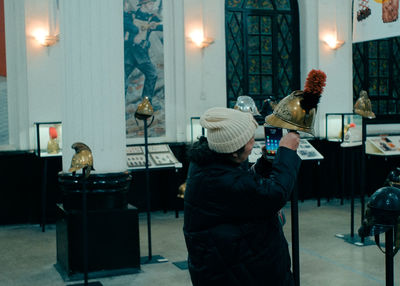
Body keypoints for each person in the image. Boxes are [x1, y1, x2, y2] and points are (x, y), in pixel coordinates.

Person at [183, 107, 301, 286]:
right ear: (233, 151)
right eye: (249, 140)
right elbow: (275, 194)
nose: (253, 143)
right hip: (239, 272)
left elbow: (247, 189)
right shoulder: (222, 180)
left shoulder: (208, 165)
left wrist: (266, 164)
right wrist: (286, 153)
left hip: (233, 265)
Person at [124, 0, 162, 100]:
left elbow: (164, 26)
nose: (152, 5)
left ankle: (146, 104)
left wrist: (156, 25)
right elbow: (124, 24)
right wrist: (134, 36)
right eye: (150, 3)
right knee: (122, 78)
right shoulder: (131, 15)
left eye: (152, 3)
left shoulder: (152, 18)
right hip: (129, 53)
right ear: (143, 4)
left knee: (152, 74)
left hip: (142, 53)